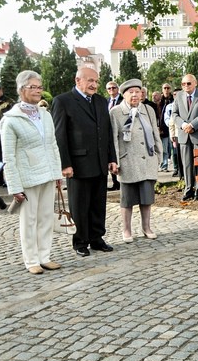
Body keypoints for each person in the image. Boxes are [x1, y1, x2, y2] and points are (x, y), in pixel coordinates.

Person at [1, 71, 63, 274]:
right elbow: (8, 157)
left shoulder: (45, 115)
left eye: (40, 87)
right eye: (33, 87)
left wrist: (57, 174)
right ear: (21, 90)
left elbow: (53, 145)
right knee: (29, 221)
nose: (38, 91)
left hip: (47, 174)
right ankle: (31, 260)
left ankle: (44, 256)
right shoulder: (11, 119)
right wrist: (14, 186)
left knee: (46, 217)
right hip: (26, 178)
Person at [52, 67, 117, 257]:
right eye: (90, 81)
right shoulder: (62, 101)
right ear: (77, 80)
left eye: (96, 81)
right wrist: (65, 163)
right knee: (79, 205)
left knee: (98, 203)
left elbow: (106, 132)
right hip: (77, 164)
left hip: (99, 162)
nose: (94, 85)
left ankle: (97, 238)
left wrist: (111, 158)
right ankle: (80, 241)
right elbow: (60, 135)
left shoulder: (100, 101)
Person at [110, 79, 162, 242]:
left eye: (137, 91)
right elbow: (114, 139)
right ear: (123, 94)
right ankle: (126, 230)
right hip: (127, 162)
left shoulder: (148, 109)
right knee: (127, 199)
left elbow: (155, 133)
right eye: (130, 92)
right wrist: (115, 160)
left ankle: (146, 227)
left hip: (147, 159)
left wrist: (159, 154)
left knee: (146, 198)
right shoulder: (116, 112)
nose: (134, 95)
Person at [172, 74, 198, 200]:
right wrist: (184, 125)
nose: (186, 86)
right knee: (187, 164)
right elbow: (174, 113)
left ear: (195, 83)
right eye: (183, 84)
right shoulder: (179, 96)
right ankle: (188, 189)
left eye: (188, 83)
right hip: (184, 135)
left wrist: (192, 125)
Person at [105, 81, 122, 190]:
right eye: (109, 88)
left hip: (120, 133)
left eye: (113, 88)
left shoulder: (123, 101)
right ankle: (115, 183)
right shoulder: (105, 101)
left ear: (118, 88)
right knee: (111, 157)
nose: (111, 90)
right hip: (108, 132)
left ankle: (120, 182)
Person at [158, 84, 174, 172]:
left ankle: (176, 167)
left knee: (173, 149)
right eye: (165, 88)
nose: (166, 90)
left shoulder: (173, 100)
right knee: (164, 149)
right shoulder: (160, 101)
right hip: (163, 128)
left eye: (168, 88)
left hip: (172, 127)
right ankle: (164, 165)